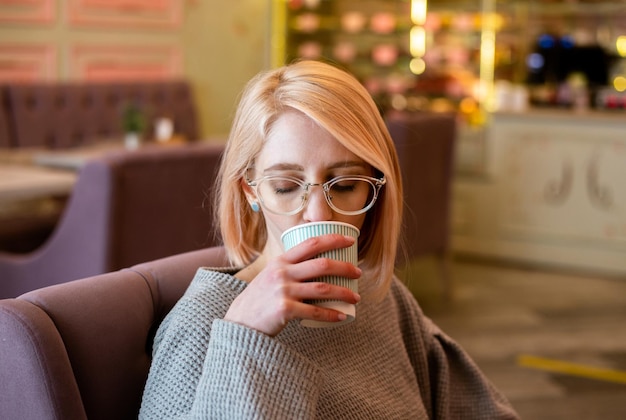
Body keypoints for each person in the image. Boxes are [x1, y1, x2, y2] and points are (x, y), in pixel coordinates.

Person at [139, 60, 519, 419]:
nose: (318, 214)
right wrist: (244, 336)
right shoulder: (201, 323)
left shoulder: (380, 297)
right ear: (251, 190)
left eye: (347, 185)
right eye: (287, 186)